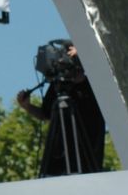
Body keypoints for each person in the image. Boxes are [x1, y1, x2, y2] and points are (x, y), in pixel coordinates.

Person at [16, 41, 106, 176]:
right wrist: (27, 107)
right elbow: (45, 114)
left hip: (87, 161)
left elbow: (109, 63)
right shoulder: (58, 86)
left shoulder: (95, 85)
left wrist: (85, 51)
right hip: (59, 164)